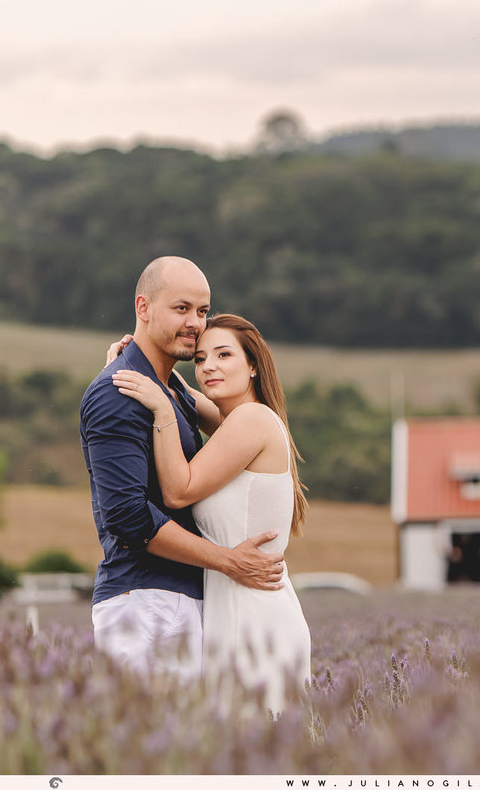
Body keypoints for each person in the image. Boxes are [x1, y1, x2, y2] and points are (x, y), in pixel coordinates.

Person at [80, 257, 285, 680]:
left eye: (203, 311)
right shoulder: (118, 393)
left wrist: (161, 384)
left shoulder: (172, 394)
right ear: (144, 308)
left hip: (188, 601)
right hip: (145, 602)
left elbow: (233, 426)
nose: (195, 322)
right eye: (182, 308)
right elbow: (128, 517)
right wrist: (227, 561)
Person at [111, 313, 312, 714]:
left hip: (255, 614)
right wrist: (131, 363)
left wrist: (162, 412)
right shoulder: (235, 421)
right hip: (234, 602)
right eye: (201, 359)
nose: (209, 367)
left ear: (253, 365)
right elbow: (182, 392)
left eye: (224, 355)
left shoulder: (252, 420)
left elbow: (178, 490)